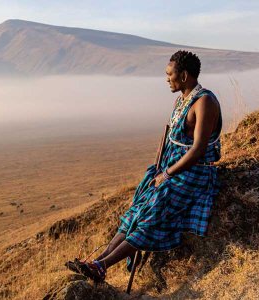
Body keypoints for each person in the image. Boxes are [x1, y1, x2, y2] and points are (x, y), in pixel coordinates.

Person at [66, 50, 222, 282]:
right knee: (137, 210)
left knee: (152, 214)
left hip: (194, 172)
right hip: (171, 168)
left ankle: (101, 266)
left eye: (170, 74)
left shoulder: (204, 102)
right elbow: (170, 135)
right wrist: (160, 169)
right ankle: (96, 262)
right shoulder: (182, 100)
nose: (166, 79)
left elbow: (198, 149)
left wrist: (167, 174)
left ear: (184, 75)